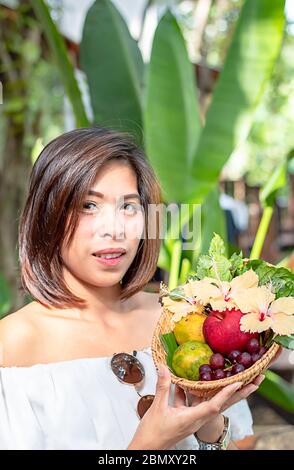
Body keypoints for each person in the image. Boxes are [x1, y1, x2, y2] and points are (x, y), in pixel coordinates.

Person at [0, 127, 263, 450]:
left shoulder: (180, 318)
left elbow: (243, 443)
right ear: (47, 216)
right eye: (88, 206)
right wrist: (148, 445)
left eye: (128, 206)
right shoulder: (12, 345)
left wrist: (207, 423)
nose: (114, 229)